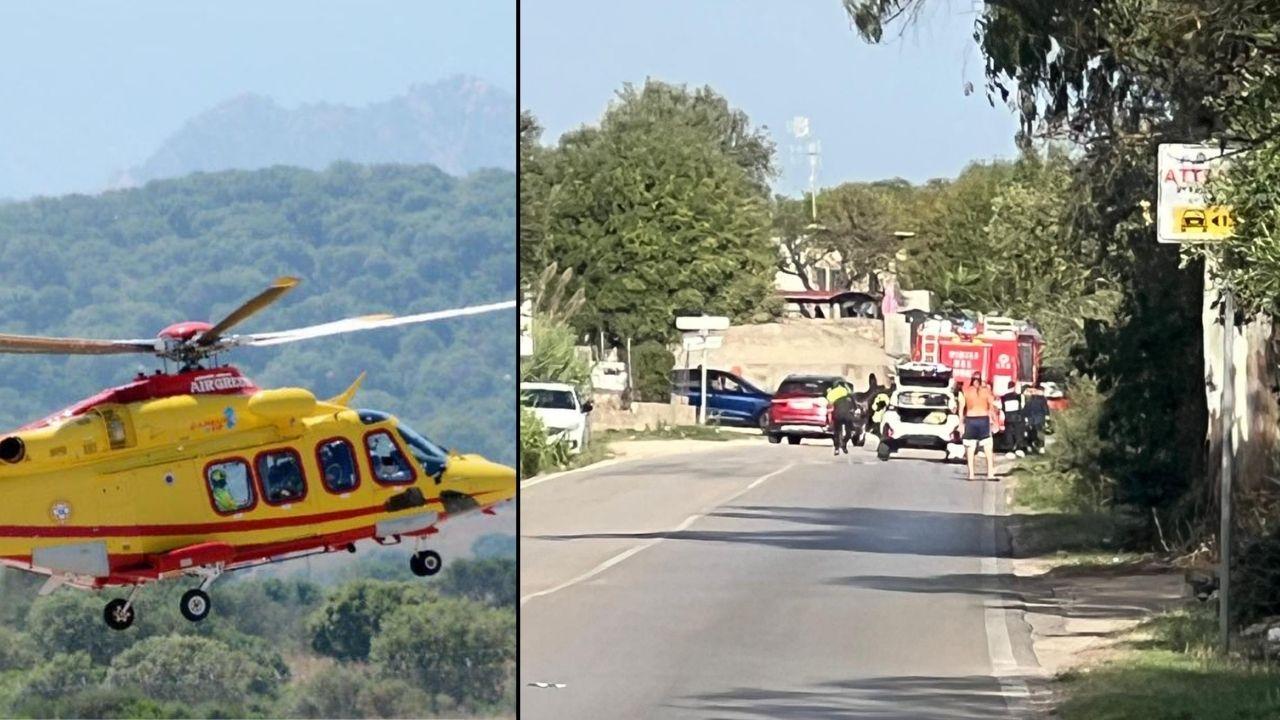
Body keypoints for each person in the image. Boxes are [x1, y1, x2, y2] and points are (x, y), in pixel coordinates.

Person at [959, 375, 998, 481]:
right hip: (983, 420)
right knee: (988, 448)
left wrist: (961, 424)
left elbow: (961, 408)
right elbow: (991, 408)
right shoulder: (986, 391)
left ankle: (971, 475)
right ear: (981, 381)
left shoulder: (965, 391)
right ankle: (990, 473)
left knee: (970, 448)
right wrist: (995, 422)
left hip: (970, 420)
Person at [825, 380, 857, 455]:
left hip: (838, 415)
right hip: (845, 415)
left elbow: (829, 406)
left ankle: (837, 448)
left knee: (837, 432)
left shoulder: (831, 395)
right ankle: (843, 444)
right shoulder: (846, 393)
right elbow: (854, 404)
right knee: (849, 432)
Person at [1023, 383, 1050, 454]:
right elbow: (1045, 408)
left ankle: (1034, 446)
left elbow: (1027, 408)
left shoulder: (1032, 398)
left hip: (1034, 417)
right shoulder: (1041, 399)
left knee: (1033, 432)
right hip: (1037, 417)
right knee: (1037, 432)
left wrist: (1025, 416)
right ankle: (1038, 446)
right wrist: (1047, 416)